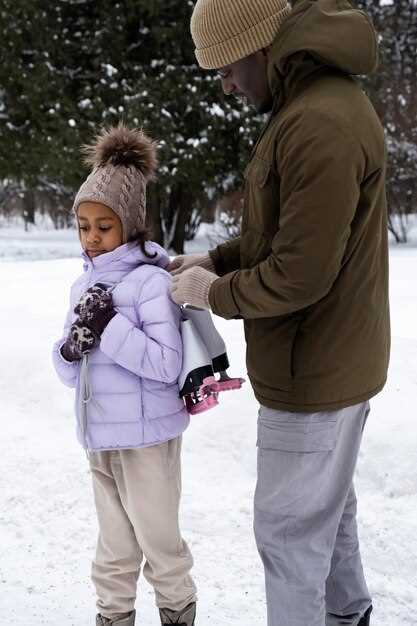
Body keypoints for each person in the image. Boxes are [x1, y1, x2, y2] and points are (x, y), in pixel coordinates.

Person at [169, 1, 390, 625]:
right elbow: (287, 236)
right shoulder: (315, 104)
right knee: (327, 510)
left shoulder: (318, 121)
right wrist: (213, 259)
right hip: (334, 362)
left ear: (260, 47)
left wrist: (210, 294)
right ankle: (348, 616)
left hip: (314, 373)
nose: (226, 84)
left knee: (290, 535)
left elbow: (299, 274)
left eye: (227, 67)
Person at [52, 124, 197, 626]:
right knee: (113, 547)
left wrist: (108, 326)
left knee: (159, 540)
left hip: (147, 440)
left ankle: (177, 612)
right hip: (100, 436)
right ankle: (113, 616)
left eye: (104, 226)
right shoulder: (81, 286)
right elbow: (70, 374)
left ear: (131, 226)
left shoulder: (150, 283)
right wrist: (71, 349)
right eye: (83, 225)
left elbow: (165, 365)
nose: (92, 238)